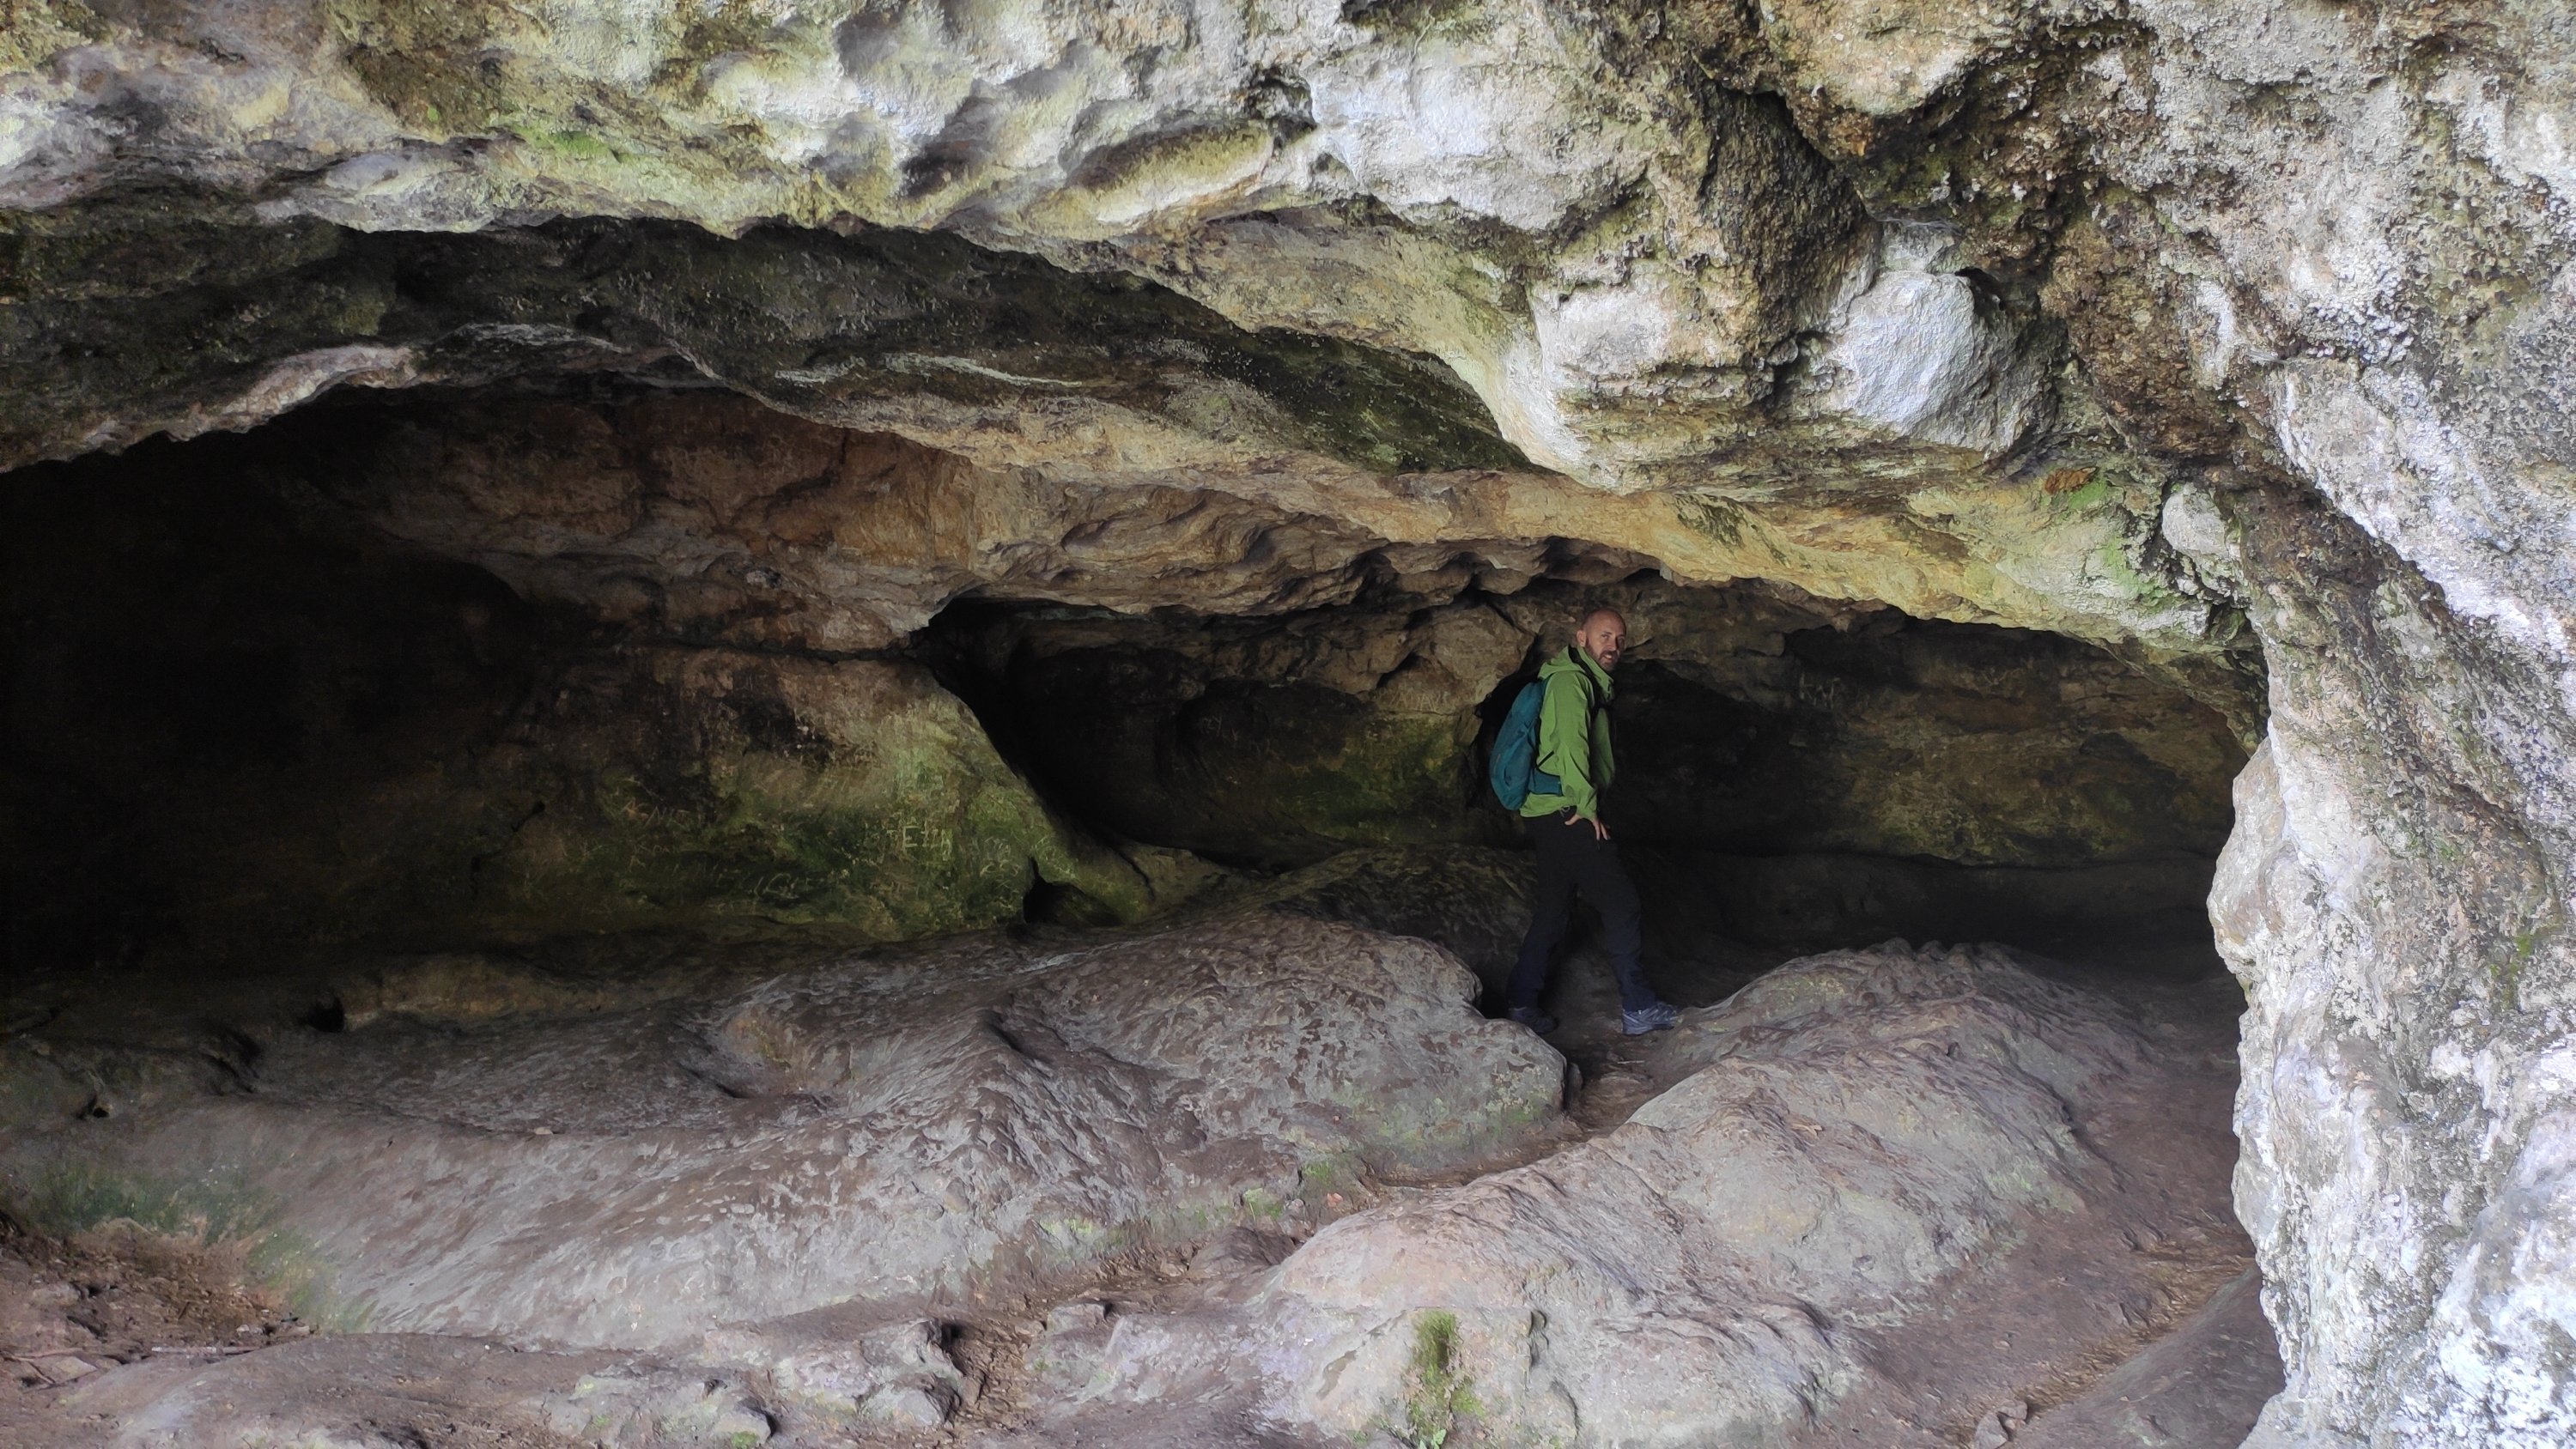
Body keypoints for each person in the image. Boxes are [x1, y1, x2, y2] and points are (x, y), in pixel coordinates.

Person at [1506, 607, 1680, 1037]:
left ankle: (1522, 1002)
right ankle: (1639, 1007)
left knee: (1554, 909)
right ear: (1581, 637)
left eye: (1620, 639)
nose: (1613, 646)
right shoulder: (1570, 682)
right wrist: (1587, 807)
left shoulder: (1585, 680)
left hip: (1547, 811)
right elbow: (1571, 749)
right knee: (1622, 903)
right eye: (1605, 636)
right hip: (1566, 811)